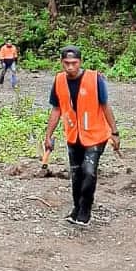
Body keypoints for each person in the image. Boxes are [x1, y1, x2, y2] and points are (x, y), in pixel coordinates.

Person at [44, 45, 121, 226]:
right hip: (73, 135)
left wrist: (115, 133)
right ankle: (76, 209)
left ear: (80, 62)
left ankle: (85, 210)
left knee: (89, 171)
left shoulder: (95, 79)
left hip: (95, 135)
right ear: (61, 62)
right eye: (66, 63)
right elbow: (56, 109)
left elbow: (105, 105)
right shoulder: (59, 80)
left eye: (74, 63)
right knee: (76, 174)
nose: (70, 67)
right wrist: (48, 135)